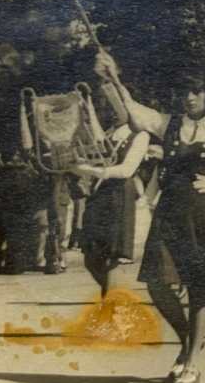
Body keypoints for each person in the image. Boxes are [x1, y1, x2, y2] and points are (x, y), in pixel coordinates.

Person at [95, 51, 205, 383]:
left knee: (198, 286)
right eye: (185, 92)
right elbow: (133, 112)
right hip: (171, 212)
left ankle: (191, 364)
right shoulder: (168, 122)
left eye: (197, 92)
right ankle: (190, 342)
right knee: (158, 283)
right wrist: (112, 77)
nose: (190, 98)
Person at [71, 122, 150, 299]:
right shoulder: (105, 132)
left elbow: (126, 170)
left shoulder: (140, 135)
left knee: (111, 257)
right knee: (90, 257)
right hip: (99, 193)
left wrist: (91, 170)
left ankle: (110, 304)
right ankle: (115, 298)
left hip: (119, 193)